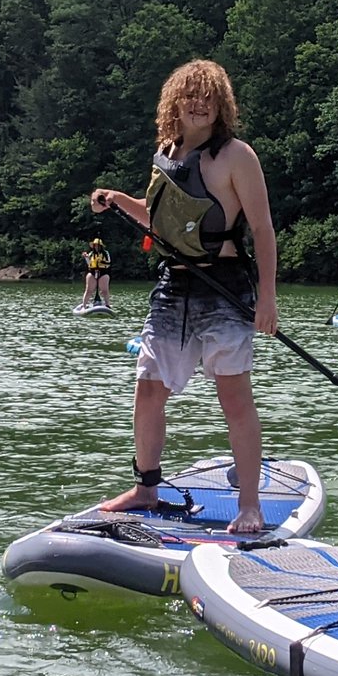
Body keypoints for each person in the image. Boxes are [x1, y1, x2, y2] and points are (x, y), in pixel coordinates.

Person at [87, 59, 279, 533]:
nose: (199, 103)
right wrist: (117, 198)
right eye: (190, 95)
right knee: (148, 388)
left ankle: (250, 504)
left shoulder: (237, 156)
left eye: (208, 96)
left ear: (221, 106)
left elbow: (263, 229)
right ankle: (146, 487)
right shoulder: (166, 153)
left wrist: (268, 298)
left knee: (234, 397)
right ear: (175, 101)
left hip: (225, 287)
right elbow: (159, 223)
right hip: (174, 289)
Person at [79, 237, 113, 309]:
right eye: (95, 245)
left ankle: (107, 304)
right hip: (93, 272)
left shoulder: (106, 253)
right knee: (89, 290)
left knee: (105, 290)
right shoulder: (91, 254)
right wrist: (86, 257)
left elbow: (108, 263)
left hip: (103, 272)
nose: (96, 247)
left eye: (98, 245)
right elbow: (89, 264)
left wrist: (101, 261)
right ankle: (84, 305)